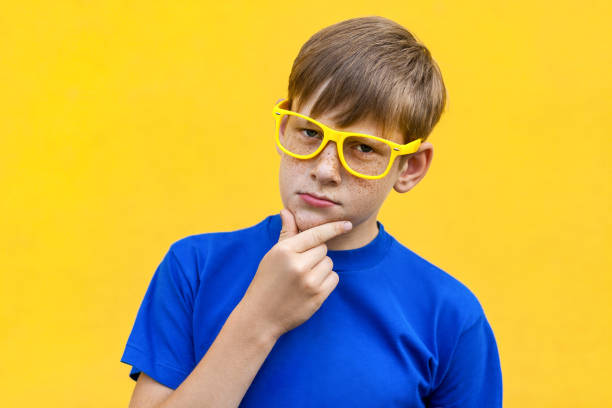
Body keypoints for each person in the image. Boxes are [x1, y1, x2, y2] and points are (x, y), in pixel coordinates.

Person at [121, 16, 503, 408]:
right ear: (285, 128)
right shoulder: (194, 269)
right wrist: (259, 319)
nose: (324, 169)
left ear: (410, 167)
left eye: (363, 148)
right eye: (310, 132)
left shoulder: (450, 316)